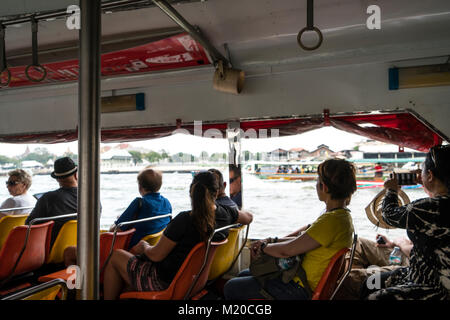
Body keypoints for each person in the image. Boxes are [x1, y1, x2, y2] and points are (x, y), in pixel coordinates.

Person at [103, 171, 253, 300]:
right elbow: (249, 217)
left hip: (164, 282)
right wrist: (232, 212)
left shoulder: (184, 219)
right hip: (194, 282)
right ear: (217, 192)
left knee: (116, 256)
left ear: (191, 192)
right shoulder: (226, 214)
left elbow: (156, 255)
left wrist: (145, 247)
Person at [223, 158, 356, 300]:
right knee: (244, 274)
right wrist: (270, 241)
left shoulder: (332, 221)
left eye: (318, 181)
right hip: (301, 280)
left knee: (231, 286)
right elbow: (301, 240)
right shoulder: (340, 217)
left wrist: (263, 247)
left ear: (324, 187)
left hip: (299, 288)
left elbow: (287, 250)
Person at [365, 145, 450, 300]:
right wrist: (427, 182)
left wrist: (391, 190)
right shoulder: (431, 207)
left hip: (431, 285)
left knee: (371, 290)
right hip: (423, 273)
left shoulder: (427, 208)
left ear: (430, 175)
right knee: (372, 281)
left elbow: (389, 215)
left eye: (423, 169)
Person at [63, 168, 172, 267]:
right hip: (146, 252)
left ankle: (78, 287)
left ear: (140, 186)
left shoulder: (139, 203)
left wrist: (116, 223)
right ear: (159, 185)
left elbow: (115, 230)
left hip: (124, 252)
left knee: (69, 252)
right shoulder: (167, 203)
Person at [334, 234, 412, 300]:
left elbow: (422, 255)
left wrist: (401, 243)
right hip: (406, 252)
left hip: (414, 266)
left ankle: (354, 281)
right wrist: (393, 244)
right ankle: (358, 285)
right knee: (357, 242)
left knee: (349, 278)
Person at [25, 157, 78, 247]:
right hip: (81, 246)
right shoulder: (91, 198)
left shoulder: (48, 198)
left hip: (51, 249)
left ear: (57, 179)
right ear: (76, 175)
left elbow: (29, 225)